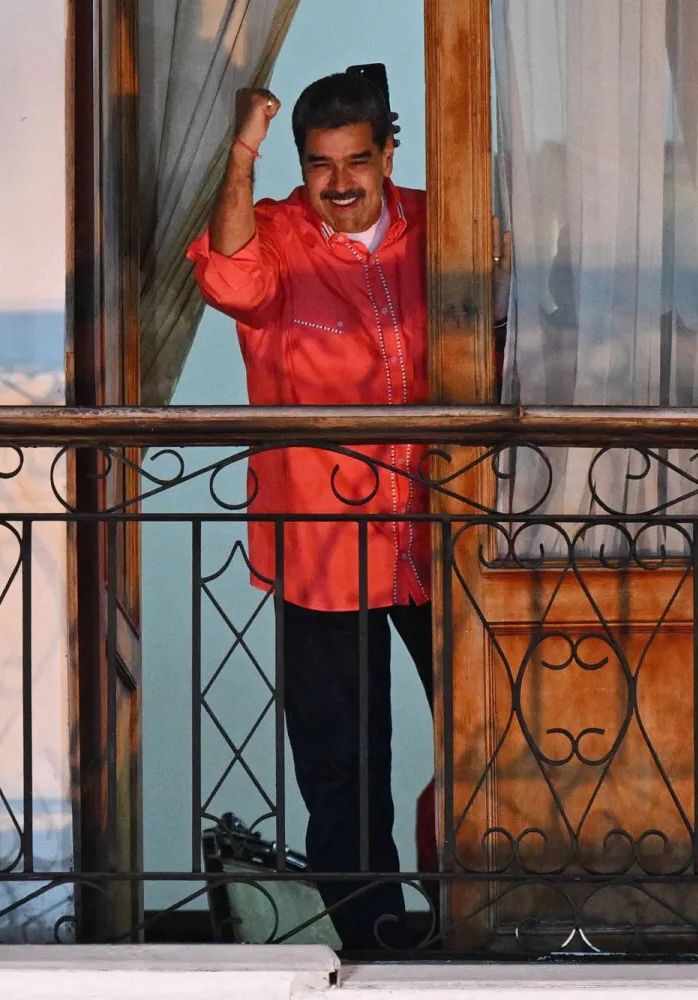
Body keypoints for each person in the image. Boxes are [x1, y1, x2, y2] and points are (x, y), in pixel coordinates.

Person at [187, 72, 433, 951]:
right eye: (319, 164)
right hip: (322, 544)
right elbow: (229, 283)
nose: (338, 183)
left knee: (493, 734)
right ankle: (371, 934)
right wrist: (244, 151)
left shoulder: (441, 224)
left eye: (356, 161)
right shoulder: (279, 234)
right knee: (342, 765)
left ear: (386, 155)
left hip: (444, 537)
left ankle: (482, 911)